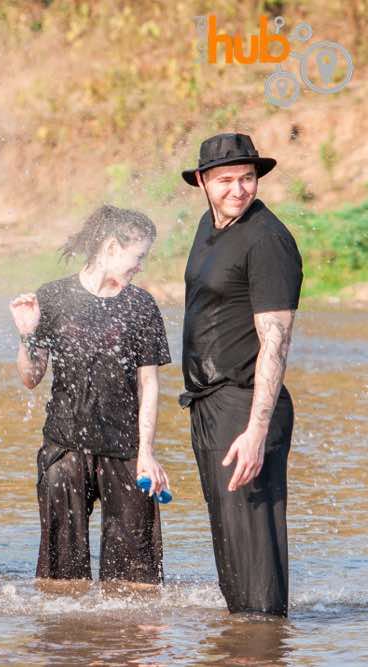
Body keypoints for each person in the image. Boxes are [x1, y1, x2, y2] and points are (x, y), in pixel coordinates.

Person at [9, 204, 170, 585]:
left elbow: (149, 385)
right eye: (139, 255)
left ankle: (128, 646)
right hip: (64, 448)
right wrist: (27, 334)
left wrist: (146, 453)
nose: (140, 266)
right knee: (61, 582)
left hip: (126, 450)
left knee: (136, 584)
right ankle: (71, 646)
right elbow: (31, 378)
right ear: (112, 248)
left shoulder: (141, 305)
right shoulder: (54, 297)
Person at [180, 133, 302, 616]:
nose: (239, 189)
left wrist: (256, 431)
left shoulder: (267, 239)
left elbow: (275, 342)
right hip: (209, 403)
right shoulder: (209, 228)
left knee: (254, 558)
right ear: (204, 182)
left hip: (245, 406)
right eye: (227, 179)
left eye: (247, 178)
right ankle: (245, 644)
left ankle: (263, 644)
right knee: (231, 551)